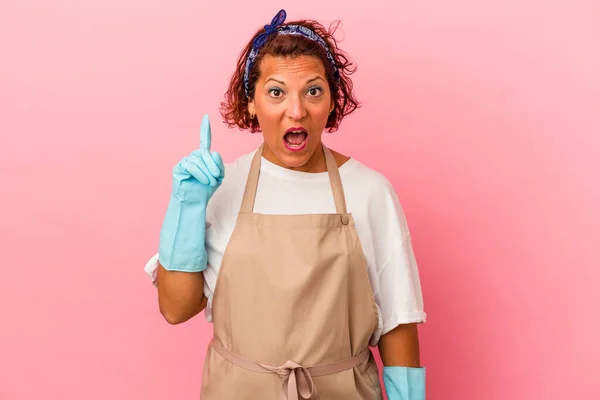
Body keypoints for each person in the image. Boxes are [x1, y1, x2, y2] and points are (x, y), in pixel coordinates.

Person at [144, 9, 427, 400]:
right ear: (252, 104)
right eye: (276, 92)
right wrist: (187, 207)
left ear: (331, 101)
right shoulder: (221, 188)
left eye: (313, 90)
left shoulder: (369, 191)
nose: (297, 110)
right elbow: (176, 309)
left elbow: (397, 323)